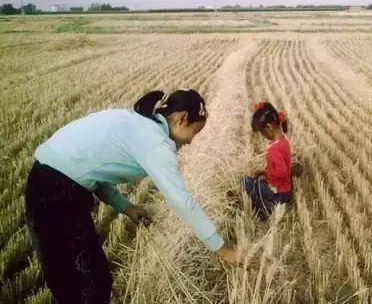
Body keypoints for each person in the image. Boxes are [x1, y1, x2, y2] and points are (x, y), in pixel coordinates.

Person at [24, 89, 240, 304]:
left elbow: (95, 169)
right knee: (80, 289)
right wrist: (222, 249)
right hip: (54, 196)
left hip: (54, 186)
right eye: (195, 131)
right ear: (182, 118)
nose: (191, 141)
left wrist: (127, 208)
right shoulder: (155, 141)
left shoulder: (140, 123)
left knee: (95, 282)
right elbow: (181, 200)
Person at [242, 102, 293, 218]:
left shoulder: (274, 149)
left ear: (269, 128)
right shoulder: (283, 141)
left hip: (279, 194)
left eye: (262, 132)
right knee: (255, 181)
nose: (263, 135)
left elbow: (282, 172)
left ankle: (266, 208)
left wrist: (265, 172)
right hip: (285, 190)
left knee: (251, 183)